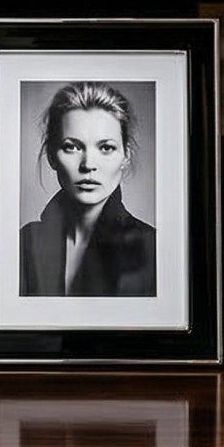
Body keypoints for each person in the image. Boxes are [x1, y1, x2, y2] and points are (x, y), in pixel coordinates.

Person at [19, 81, 156, 297]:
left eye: (106, 147)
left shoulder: (153, 247)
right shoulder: (23, 243)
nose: (88, 164)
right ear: (51, 155)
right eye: (72, 147)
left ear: (126, 156)